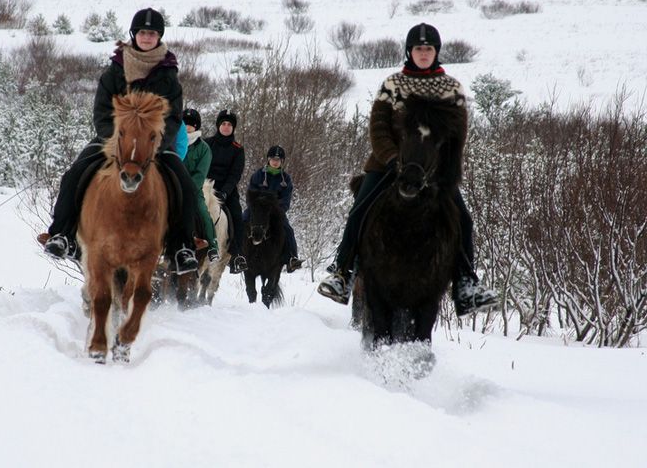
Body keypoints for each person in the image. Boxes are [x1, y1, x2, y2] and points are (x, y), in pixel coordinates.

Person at [317, 22, 500, 316]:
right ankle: (343, 273)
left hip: (435, 172)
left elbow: (457, 137)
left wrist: (439, 171)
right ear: (409, 51)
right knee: (360, 209)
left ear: (436, 52)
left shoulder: (452, 88)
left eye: (429, 49)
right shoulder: (392, 84)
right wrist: (393, 160)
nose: (424, 53)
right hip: (387, 165)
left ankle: (466, 285)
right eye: (419, 48)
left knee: (463, 220)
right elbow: (378, 128)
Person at [41, 7, 199, 275]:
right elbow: (101, 111)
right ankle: (63, 234)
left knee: (184, 183)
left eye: (152, 33)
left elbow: (173, 118)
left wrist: (155, 144)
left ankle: (181, 247)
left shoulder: (169, 76)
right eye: (142, 32)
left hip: (154, 146)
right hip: (113, 141)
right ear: (134, 35)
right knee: (75, 173)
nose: (147, 37)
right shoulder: (115, 70)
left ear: (159, 36)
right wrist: (114, 140)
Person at [244, 145, 304, 273]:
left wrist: (277, 210)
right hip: (257, 210)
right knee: (242, 219)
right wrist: (257, 205)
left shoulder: (286, 179)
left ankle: (291, 258)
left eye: (278, 160)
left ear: (282, 161)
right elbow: (251, 194)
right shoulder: (258, 175)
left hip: (276, 212)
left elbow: (286, 200)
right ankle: (236, 255)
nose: (275, 162)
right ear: (268, 160)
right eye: (272, 159)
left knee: (288, 229)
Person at [205, 109, 248, 274]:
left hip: (226, 191)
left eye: (229, 124)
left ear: (233, 128)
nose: (226, 126)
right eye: (223, 123)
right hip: (205, 187)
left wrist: (224, 192)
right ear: (218, 125)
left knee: (237, 216)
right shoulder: (207, 143)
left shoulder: (238, 149)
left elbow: (235, 174)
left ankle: (237, 255)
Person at [182, 108, 220, 263]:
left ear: (196, 126)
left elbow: (200, 173)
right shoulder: (173, 143)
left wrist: (187, 188)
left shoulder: (204, 149)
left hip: (192, 190)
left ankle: (212, 245)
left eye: (190, 124)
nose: (187, 127)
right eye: (184, 123)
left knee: (202, 211)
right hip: (172, 187)